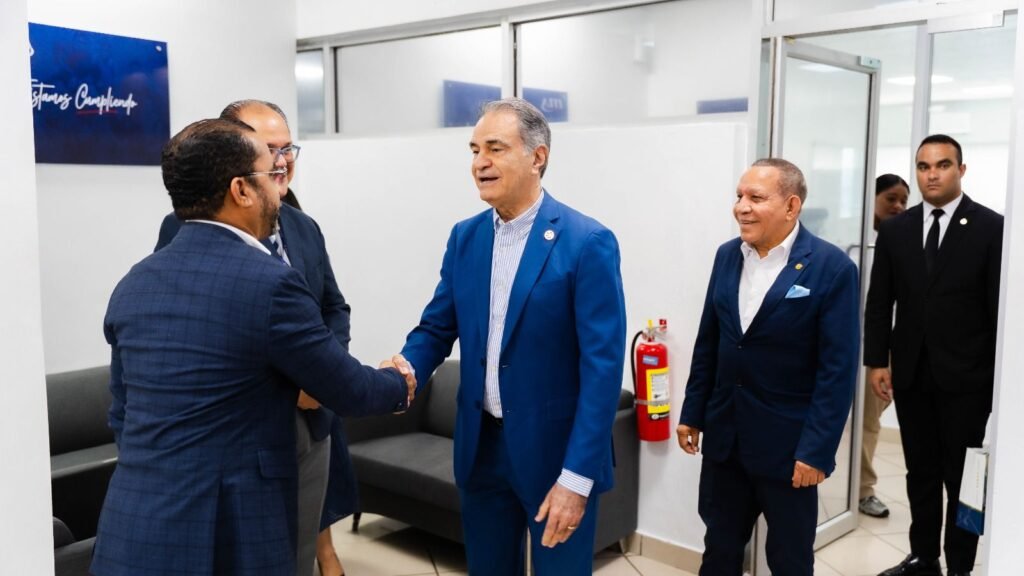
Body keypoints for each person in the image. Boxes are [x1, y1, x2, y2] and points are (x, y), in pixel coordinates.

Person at [90, 118, 415, 576]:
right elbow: (348, 390)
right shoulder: (269, 284)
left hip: (133, 522)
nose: (279, 186)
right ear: (241, 190)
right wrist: (399, 383)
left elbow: (122, 411)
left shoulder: (133, 283)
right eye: (270, 173)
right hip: (231, 527)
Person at [398, 98, 626, 575]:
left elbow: (602, 371)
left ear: (537, 157)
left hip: (556, 457)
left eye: (495, 148)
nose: (479, 163)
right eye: (474, 150)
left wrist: (576, 478)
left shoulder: (587, 242)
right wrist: (404, 370)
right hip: (481, 450)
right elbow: (437, 325)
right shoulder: (466, 237)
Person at [155, 100, 355, 576]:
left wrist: (322, 377)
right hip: (238, 430)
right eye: (270, 150)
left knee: (298, 549)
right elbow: (182, 324)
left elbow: (333, 307)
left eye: (288, 149)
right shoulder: (184, 229)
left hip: (310, 423)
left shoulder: (303, 227)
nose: (282, 161)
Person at [677, 158, 860, 576]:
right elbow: (710, 341)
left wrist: (816, 450)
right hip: (726, 440)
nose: (741, 207)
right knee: (719, 552)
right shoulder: (728, 256)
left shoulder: (831, 268)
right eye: (739, 196)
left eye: (756, 198)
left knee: (789, 561)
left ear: (791, 206)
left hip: (789, 450)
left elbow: (836, 372)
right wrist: (693, 411)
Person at [866, 135, 1002, 576]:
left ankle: (961, 565)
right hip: (911, 375)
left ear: (961, 170)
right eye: (924, 166)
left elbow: (998, 309)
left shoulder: (992, 227)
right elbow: (880, 300)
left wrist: (997, 378)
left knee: (965, 479)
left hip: (968, 379)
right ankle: (924, 557)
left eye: (943, 165)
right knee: (920, 473)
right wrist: (877, 360)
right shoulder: (896, 230)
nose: (932, 174)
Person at [859, 173, 910, 519]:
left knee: (869, 421)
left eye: (904, 200)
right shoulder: (855, 242)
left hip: (879, 351)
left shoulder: (902, 243)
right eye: (891, 198)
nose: (899, 206)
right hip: (843, 344)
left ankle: (863, 490)